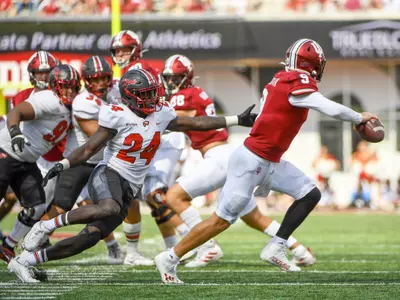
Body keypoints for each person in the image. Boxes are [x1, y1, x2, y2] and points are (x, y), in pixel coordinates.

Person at [154, 38, 378, 284]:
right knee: (220, 221)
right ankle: (170, 258)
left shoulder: (284, 79)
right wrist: (358, 117)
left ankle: (277, 246)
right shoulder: (296, 80)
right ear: (310, 63)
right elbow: (326, 106)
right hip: (251, 161)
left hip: (269, 159)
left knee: (310, 193)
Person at [7, 68, 256, 283]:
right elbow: (91, 148)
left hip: (130, 185)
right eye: (145, 94)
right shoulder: (116, 113)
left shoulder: (161, 113)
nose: (152, 98)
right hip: (109, 173)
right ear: (130, 96)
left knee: (89, 238)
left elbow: (195, 123)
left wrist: (235, 119)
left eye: (152, 92)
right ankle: (46, 225)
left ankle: (26, 260)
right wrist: (63, 164)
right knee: (108, 207)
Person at [161, 54, 316, 268]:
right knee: (253, 217)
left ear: (187, 77)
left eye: (175, 78)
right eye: (168, 78)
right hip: (226, 155)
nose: (170, 83)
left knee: (174, 196)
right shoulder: (196, 93)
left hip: (218, 158)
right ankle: (298, 249)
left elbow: (173, 121)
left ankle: (207, 246)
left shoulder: (184, 96)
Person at [110, 29, 190, 266]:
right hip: (152, 135)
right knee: (143, 196)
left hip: (158, 138)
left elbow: (143, 105)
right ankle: (171, 247)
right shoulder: (131, 70)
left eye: (125, 49)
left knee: (151, 195)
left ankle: (196, 239)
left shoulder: (138, 70)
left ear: (135, 49)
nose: (120, 53)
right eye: (117, 50)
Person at [41, 55, 125, 263]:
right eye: (95, 79)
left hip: (103, 161)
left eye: (104, 78)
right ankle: (37, 236)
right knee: (61, 206)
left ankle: (113, 247)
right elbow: (97, 136)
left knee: (104, 208)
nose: (100, 83)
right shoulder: (83, 101)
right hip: (80, 159)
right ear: (86, 81)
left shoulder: (116, 90)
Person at [0, 64, 80, 263]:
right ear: (54, 86)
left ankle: (7, 247)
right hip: (5, 152)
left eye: (73, 86)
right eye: (65, 86)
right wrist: (15, 132)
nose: (69, 91)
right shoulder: (49, 99)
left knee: (36, 207)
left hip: (27, 161)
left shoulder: (71, 107)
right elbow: (16, 112)